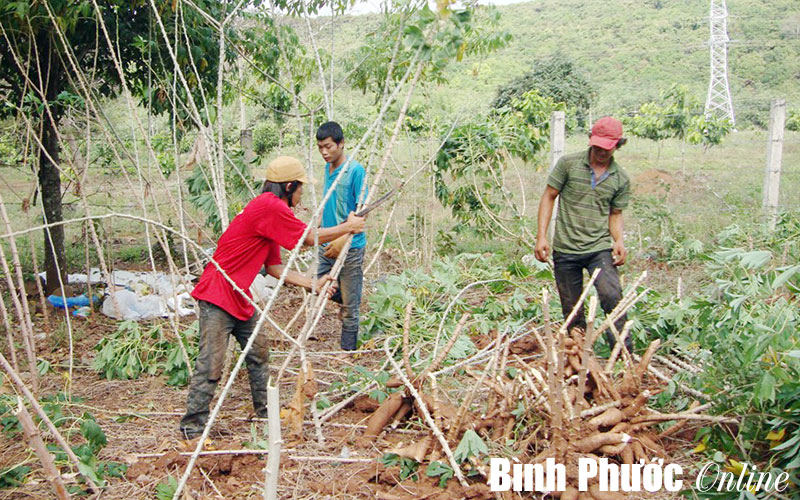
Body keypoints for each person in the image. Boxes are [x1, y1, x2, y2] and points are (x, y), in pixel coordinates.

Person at [180, 156, 366, 439]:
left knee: (259, 354)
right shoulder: (269, 206)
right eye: (300, 188)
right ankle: (192, 429)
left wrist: (312, 284)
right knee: (211, 364)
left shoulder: (268, 214)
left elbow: (274, 268)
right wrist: (347, 228)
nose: (301, 194)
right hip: (218, 295)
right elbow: (307, 237)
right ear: (289, 186)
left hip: (240, 296)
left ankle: (266, 415)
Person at [535, 116, 633, 351]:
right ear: (591, 141)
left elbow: (615, 213)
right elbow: (549, 196)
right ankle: (578, 359)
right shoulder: (568, 164)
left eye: (606, 148)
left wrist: (618, 240)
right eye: (597, 146)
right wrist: (541, 236)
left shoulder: (620, 179)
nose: (600, 152)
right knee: (572, 308)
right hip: (566, 249)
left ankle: (622, 356)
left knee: (612, 296)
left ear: (617, 145)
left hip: (598, 249)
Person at [315, 121, 369, 352]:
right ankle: (349, 297)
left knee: (350, 309)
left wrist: (344, 236)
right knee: (319, 285)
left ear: (341, 144)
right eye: (320, 148)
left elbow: (363, 208)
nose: (325, 152)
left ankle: (348, 353)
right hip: (326, 242)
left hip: (350, 246)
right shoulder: (327, 169)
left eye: (328, 146)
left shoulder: (355, 170)